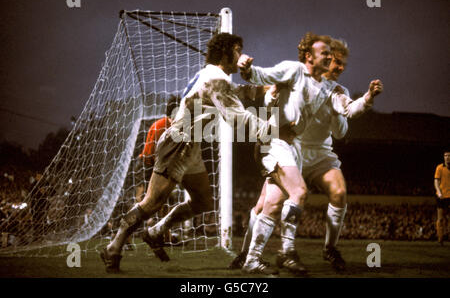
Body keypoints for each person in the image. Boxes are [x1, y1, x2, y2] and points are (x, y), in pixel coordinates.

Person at [100, 32, 278, 273]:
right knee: (152, 201)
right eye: (237, 50)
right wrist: (269, 129)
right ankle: (114, 246)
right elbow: (236, 117)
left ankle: (155, 232)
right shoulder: (216, 78)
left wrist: (267, 87)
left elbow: (238, 92)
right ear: (225, 52)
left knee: (203, 201)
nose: (241, 55)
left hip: (190, 146)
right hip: (178, 142)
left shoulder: (213, 75)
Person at [236, 32, 383, 275]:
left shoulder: (329, 89)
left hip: (295, 149)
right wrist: (246, 69)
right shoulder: (293, 70)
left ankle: (252, 259)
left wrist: (367, 97)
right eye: (328, 55)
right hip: (275, 142)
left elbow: (347, 111)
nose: (333, 61)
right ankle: (285, 252)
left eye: (335, 58)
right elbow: (262, 76)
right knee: (294, 193)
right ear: (310, 57)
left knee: (272, 205)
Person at [434, 151, 450, 245]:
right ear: (444, 157)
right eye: (446, 155)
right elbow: (436, 181)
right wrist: (439, 192)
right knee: (440, 219)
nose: (447, 157)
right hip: (441, 196)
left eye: (449, 156)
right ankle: (440, 238)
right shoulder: (440, 167)